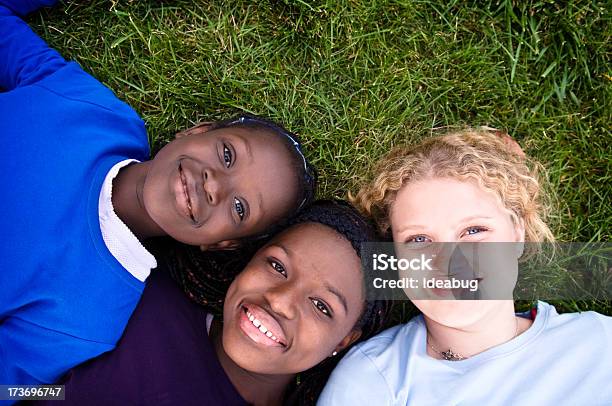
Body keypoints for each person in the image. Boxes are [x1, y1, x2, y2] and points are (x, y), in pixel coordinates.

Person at [0, 0, 316, 388]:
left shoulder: (92, 314)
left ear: (222, 244)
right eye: (228, 154)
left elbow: (9, 386)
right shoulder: (95, 113)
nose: (214, 184)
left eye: (239, 207)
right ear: (197, 131)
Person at [319, 129, 612, 405]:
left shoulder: (599, 342)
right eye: (419, 239)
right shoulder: (372, 382)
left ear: (517, 234)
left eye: (473, 231)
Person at [32, 201, 390, 406]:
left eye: (322, 306)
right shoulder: (146, 289)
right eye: (277, 266)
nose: (280, 300)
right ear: (249, 259)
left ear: (344, 341)